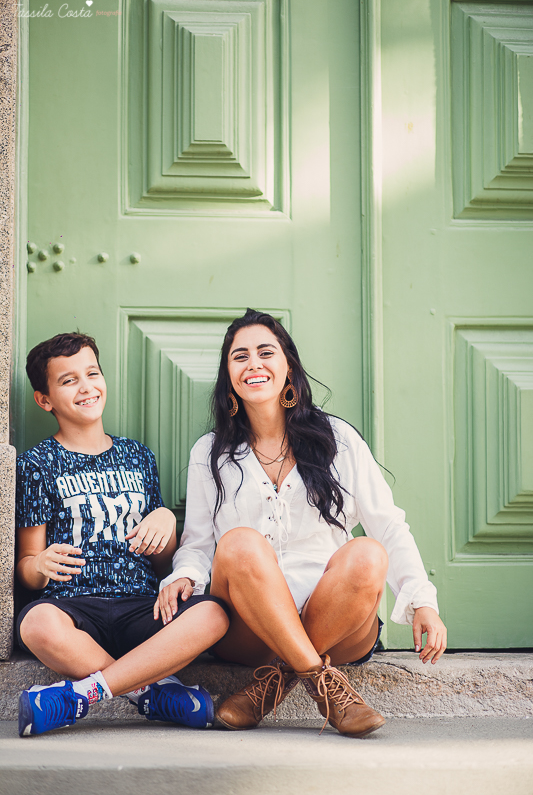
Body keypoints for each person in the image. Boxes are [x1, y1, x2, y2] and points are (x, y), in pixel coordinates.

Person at [155, 309, 447, 738]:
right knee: (237, 544)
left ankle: (273, 683)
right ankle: (318, 678)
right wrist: (185, 574)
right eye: (239, 357)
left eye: (265, 352)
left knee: (368, 553)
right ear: (228, 375)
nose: (253, 364)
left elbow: (388, 525)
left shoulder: (338, 440)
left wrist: (423, 601)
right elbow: (198, 543)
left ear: (287, 365)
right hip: (248, 628)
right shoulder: (210, 452)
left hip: (340, 622)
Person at [15, 332, 230, 737]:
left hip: (141, 604)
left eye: (92, 373)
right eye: (68, 380)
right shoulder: (36, 464)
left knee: (214, 614)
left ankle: (85, 694)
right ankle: (150, 693)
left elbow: (162, 560)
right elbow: (25, 567)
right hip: (73, 605)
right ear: (45, 400)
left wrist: (166, 518)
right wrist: (39, 564)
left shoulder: (138, 455)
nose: (86, 387)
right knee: (36, 625)